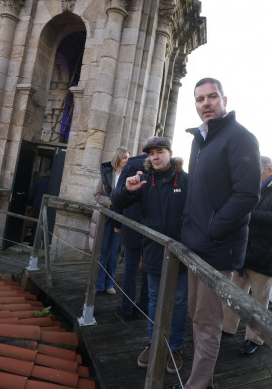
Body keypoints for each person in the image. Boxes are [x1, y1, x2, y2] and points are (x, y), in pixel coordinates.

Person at [175, 77, 261, 389]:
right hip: (195, 245)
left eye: (212, 97)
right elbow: (197, 194)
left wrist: (212, 230)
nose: (206, 103)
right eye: (200, 99)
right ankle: (202, 381)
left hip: (216, 248)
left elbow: (248, 194)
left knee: (208, 324)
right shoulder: (200, 141)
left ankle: (197, 386)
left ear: (224, 99)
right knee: (197, 319)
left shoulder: (240, 138)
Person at [111, 137, 189, 374]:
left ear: (170, 153)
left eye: (160, 151)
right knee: (154, 300)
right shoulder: (144, 180)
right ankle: (153, 343)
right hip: (154, 251)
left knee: (178, 302)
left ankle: (174, 347)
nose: (155, 156)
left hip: (181, 254)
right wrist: (126, 189)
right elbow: (116, 202)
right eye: (151, 153)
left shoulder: (185, 181)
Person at [222, 156, 272, 355]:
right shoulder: (251, 186)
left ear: (268, 171)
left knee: (259, 301)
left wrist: (249, 213)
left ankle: (254, 339)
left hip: (264, 254)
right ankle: (226, 327)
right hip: (242, 251)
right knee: (233, 293)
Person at [112, 150, 150, 323]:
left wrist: (117, 223)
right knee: (148, 269)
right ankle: (143, 307)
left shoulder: (132, 164)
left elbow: (119, 195)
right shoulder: (162, 165)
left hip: (131, 221)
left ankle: (126, 310)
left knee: (131, 267)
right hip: (152, 224)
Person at [90, 147, 130, 295]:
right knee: (103, 251)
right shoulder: (107, 173)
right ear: (118, 158)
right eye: (125, 157)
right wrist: (112, 202)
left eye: (128, 158)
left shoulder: (129, 176)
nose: (127, 160)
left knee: (115, 252)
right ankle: (99, 284)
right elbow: (97, 195)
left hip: (120, 219)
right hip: (106, 218)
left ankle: (109, 283)